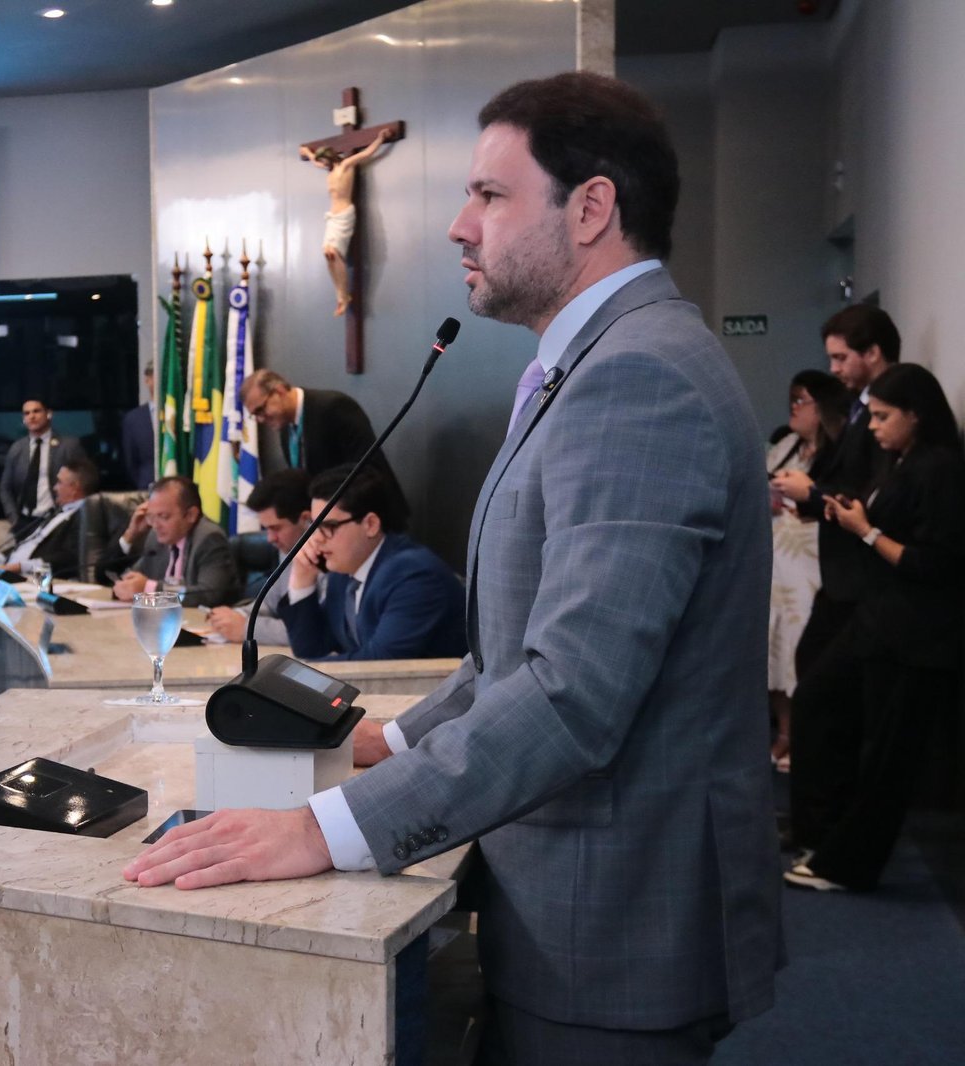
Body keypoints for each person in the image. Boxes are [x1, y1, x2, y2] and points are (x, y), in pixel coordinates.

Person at [127, 71, 779, 1063]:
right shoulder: (595, 363)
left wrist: (325, 828)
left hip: (617, 917)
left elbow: (572, 692)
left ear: (591, 208)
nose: (456, 226)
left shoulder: (637, 378)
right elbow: (516, 650)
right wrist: (387, 740)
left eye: (488, 194)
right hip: (581, 895)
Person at [785, 364, 965, 893]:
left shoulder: (940, 470)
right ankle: (822, 836)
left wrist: (864, 531)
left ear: (916, 415)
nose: (875, 427)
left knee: (886, 758)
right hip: (881, 619)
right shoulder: (902, 461)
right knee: (817, 700)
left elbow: (934, 562)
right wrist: (845, 513)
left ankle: (847, 864)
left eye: (884, 417)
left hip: (917, 634)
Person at [771, 305, 898, 703]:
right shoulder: (860, 407)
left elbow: (872, 491)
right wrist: (810, 499)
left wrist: (812, 492)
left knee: (819, 692)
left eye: (841, 357)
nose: (834, 369)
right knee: (812, 677)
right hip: (841, 575)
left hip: (861, 576)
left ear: (872, 353)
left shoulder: (880, 414)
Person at [278, 466, 466, 661]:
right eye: (314, 526)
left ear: (371, 524)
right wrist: (301, 579)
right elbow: (312, 649)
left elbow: (381, 660)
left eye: (329, 526)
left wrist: (300, 671)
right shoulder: (343, 573)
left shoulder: (413, 575)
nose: (316, 538)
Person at [765, 370, 848, 768]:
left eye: (802, 401)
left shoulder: (840, 450)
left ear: (822, 408)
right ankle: (784, 730)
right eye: (792, 400)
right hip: (776, 554)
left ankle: (805, 735)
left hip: (812, 557)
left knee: (802, 644)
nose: (793, 408)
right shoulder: (785, 446)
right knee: (773, 643)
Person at [239, 368, 406, 511]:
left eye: (261, 409)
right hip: (330, 522)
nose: (260, 419)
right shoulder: (285, 428)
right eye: (255, 415)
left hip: (371, 517)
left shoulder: (334, 407)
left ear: (280, 391)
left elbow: (367, 470)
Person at [205, 469, 311, 645]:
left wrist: (246, 628)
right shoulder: (289, 549)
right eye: (266, 529)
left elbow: (313, 632)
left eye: (276, 528)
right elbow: (270, 604)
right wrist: (236, 615)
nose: (270, 538)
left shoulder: (333, 558)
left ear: (306, 519)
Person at [105, 476, 238, 608]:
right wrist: (130, 536)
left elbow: (208, 595)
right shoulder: (156, 538)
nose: (155, 525)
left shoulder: (209, 538)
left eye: (163, 517)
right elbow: (117, 577)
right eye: (151, 517)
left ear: (191, 515)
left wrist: (150, 588)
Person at [300, 127, 389, 315]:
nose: (323, 164)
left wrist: (380, 139)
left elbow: (367, 153)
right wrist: (307, 152)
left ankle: (344, 294)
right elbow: (314, 160)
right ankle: (340, 294)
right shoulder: (330, 171)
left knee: (334, 252)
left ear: (331, 157)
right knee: (327, 253)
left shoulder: (346, 165)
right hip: (332, 217)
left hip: (344, 214)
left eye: (325, 161)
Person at [0, 458, 96, 580]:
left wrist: (20, 567)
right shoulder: (57, 512)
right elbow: (28, 545)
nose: (55, 488)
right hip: (10, 569)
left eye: (59, 482)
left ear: (74, 488)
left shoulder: (86, 517)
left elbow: (69, 557)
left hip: (36, 578)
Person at [0, 398, 87, 537]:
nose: (31, 416)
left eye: (36, 411)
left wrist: (72, 516)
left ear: (49, 414)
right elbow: (5, 488)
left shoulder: (69, 446)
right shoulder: (17, 448)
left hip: (58, 519)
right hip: (24, 522)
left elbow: (83, 482)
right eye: (27, 413)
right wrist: (14, 519)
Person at [120, 363, 156, 490]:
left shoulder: (180, 415)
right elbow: (131, 462)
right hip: (147, 487)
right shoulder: (134, 419)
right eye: (157, 375)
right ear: (147, 380)